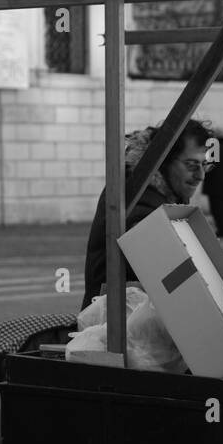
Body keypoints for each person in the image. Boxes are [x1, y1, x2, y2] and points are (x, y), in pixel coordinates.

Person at [81, 120, 212, 310]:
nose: (201, 175)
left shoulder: (161, 193)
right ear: (164, 160)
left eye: (204, 165)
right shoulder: (136, 199)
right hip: (113, 325)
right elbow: (167, 275)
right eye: (192, 165)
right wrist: (206, 267)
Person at [202, 129, 223, 238]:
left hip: (214, 185)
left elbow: (208, 165)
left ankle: (222, 230)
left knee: (217, 209)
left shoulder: (214, 148)